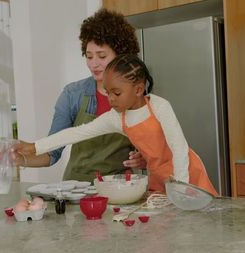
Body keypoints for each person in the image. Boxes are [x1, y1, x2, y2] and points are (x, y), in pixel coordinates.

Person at [12, 54, 218, 196]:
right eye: (108, 92)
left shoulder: (159, 106)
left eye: (116, 93)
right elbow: (77, 133)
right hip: (158, 178)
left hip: (187, 175)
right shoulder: (116, 118)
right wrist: (34, 147)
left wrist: (180, 188)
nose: (110, 98)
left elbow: (179, 148)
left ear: (138, 90)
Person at [13, 9, 145, 182]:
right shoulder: (73, 94)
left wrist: (143, 160)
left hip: (119, 189)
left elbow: (150, 150)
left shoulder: (135, 96)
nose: (94, 64)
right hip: (76, 190)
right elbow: (52, 154)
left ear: (121, 57)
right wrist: (20, 158)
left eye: (102, 56)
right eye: (89, 56)